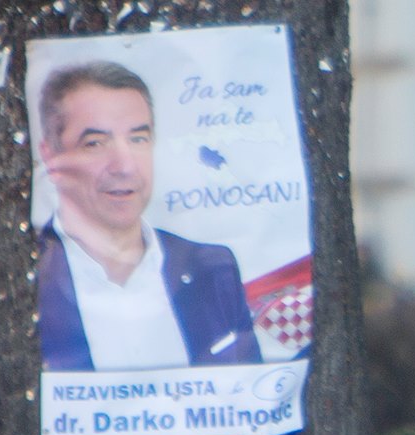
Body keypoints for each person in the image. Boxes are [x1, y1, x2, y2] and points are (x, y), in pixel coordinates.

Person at [35, 60, 261, 373]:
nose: (124, 166)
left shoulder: (211, 269)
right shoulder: (25, 279)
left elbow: (252, 394)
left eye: (138, 139)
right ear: (50, 156)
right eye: (95, 143)